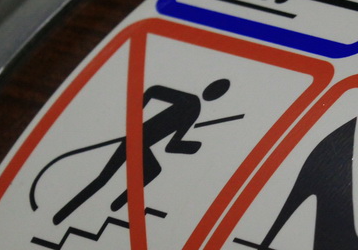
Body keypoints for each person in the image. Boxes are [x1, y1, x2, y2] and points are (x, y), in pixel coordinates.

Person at [51, 79, 230, 225]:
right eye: (217, 90)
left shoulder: (194, 110)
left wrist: (194, 146)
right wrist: (133, 119)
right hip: (134, 140)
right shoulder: (190, 101)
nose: (215, 93)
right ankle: (61, 216)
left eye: (219, 92)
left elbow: (171, 145)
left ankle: (117, 204)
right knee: (103, 179)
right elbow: (153, 91)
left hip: (143, 146)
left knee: (151, 171)